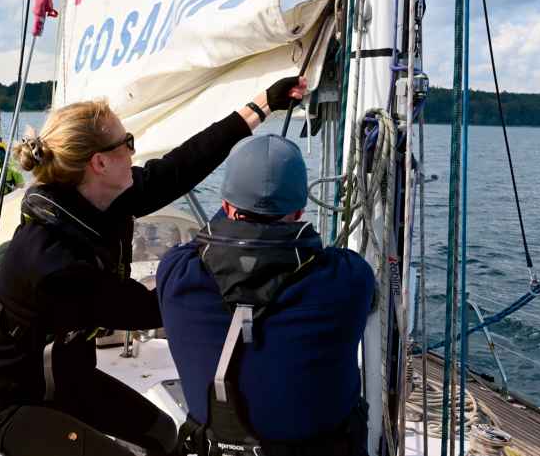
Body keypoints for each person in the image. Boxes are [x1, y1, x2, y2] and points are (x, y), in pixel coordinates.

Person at [0, 77, 308, 456]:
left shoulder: (101, 198)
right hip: (11, 404)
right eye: (127, 143)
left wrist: (262, 104)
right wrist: (247, 255)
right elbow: (150, 308)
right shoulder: (51, 263)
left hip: (69, 379)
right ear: (99, 163)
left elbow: (181, 167)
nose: (133, 151)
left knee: (164, 434)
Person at [156, 134, 376, 456]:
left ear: (226, 205)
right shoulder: (347, 280)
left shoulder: (176, 273)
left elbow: (203, 239)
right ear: (299, 211)